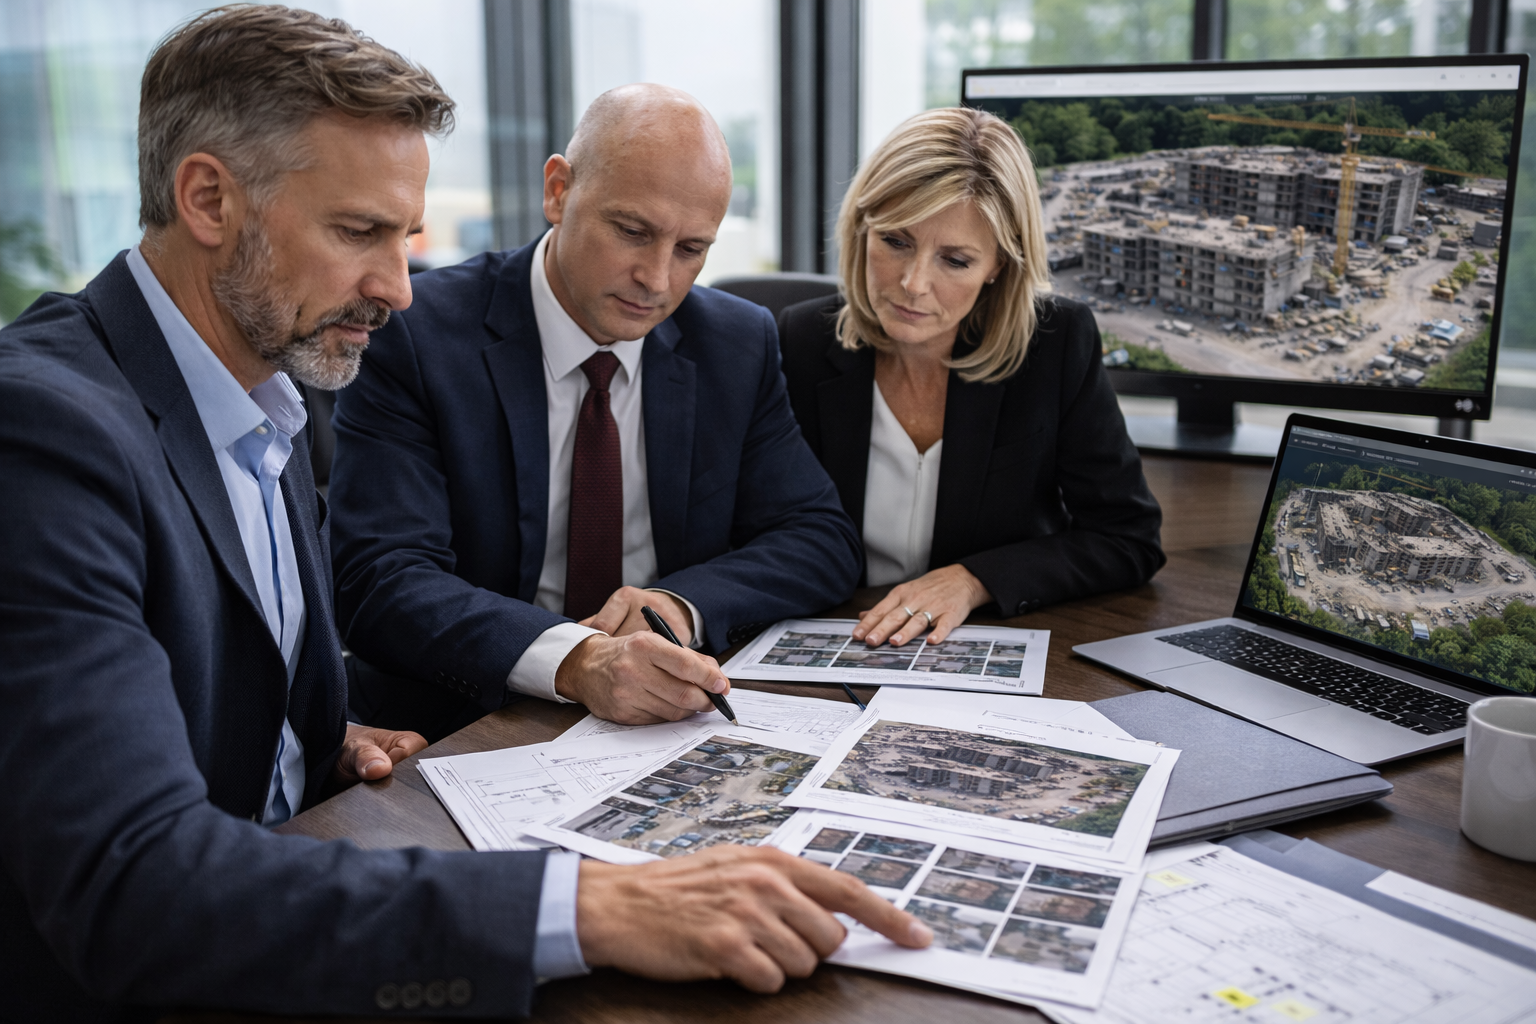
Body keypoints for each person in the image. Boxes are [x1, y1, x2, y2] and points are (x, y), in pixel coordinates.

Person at [0, 8, 926, 1019]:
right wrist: (594, 906)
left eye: (406, 237)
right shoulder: (43, 431)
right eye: (359, 232)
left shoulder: (270, 386)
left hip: (316, 860)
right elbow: (134, 886)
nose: (397, 287)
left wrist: (308, 734)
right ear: (210, 199)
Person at [328, 83, 862, 737]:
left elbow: (818, 538)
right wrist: (577, 659)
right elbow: (379, 580)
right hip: (457, 719)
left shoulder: (735, 343)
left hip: (665, 714)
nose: (658, 279)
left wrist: (677, 606)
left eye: (692, 249)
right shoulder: (415, 335)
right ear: (558, 191)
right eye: (633, 232)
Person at [779, 108, 1165, 650]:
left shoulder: (1055, 345)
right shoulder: (800, 340)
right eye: (895, 241)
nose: (913, 284)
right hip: (841, 638)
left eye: (955, 260)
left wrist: (974, 579)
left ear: (999, 266)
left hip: (978, 645)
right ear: (862, 227)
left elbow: (1128, 540)